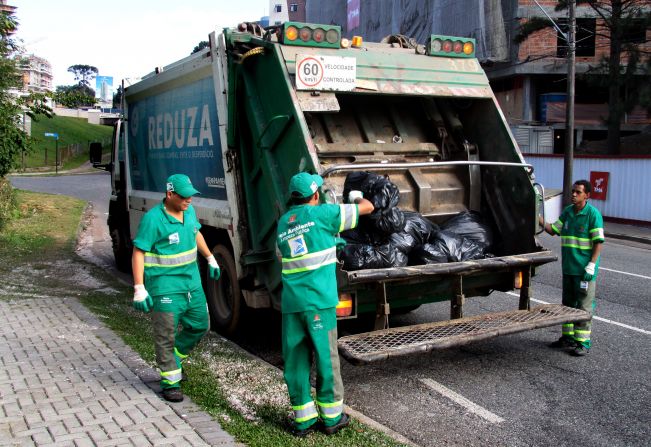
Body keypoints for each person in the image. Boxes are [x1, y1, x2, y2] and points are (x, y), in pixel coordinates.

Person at [276, 172, 374, 436]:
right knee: (326, 358)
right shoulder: (324, 214)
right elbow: (368, 208)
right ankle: (331, 419)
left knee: (295, 361)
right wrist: (355, 196)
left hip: (292, 305)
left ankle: (303, 421)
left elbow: (285, 254)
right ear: (316, 195)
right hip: (319, 302)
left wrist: (326, 243)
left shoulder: (283, 222)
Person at [131, 174, 221, 402]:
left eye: (191, 195)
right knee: (166, 335)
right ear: (170, 194)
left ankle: (174, 358)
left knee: (200, 325)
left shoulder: (188, 212)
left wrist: (210, 257)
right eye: (184, 196)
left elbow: (195, 232)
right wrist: (139, 287)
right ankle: (170, 381)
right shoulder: (153, 219)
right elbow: (139, 252)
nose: (189, 200)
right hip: (165, 287)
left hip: (191, 283)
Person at [540, 179, 604, 356]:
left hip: (584, 272)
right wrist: (538, 218)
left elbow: (598, 242)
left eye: (578, 192)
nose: (574, 195)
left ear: (587, 195)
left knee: (583, 307)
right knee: (567, 305)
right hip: (568, 269)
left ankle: (583, 342)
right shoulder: (568, 212)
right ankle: (567, 337)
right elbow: (553, 229)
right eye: (573, 191)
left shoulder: (593, 215)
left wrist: (591, 265)